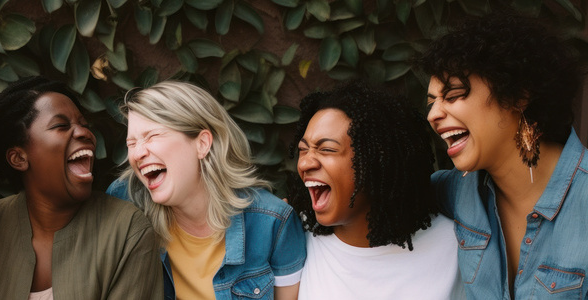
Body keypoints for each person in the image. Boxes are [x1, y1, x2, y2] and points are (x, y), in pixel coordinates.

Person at [416, 13, 588, 298]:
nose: (433, 114)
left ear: (517, 96)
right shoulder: (457, 191)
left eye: (453, 94)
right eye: (431, 102)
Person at [0, 76, 163, 299]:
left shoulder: (126, 229)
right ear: (18, 158)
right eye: (61, 126)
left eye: (84, 125)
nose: (84, 133)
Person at [106, 81, 306, 300]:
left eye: (152, 136)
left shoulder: (272, 224)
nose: (137, 154)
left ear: (202, 144)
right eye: (131, 143)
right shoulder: (124, 203)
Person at [288, 81, 463, 299]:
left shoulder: (458, 245)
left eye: (327, 149)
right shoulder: (292, 236)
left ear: (378, 161)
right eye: (303, 150)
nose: (305, 164)